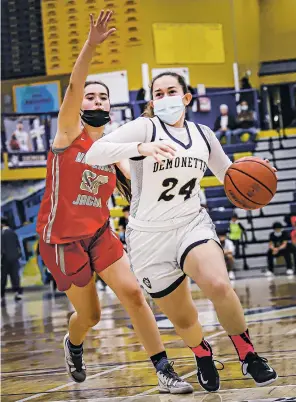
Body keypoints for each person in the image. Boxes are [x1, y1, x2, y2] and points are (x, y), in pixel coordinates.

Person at [86, 71, 278, 392]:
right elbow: (94, 153)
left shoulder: (203, 135)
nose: (164, 98)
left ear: (186, 97)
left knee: (218, 284)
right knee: (186, 321)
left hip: (191, 224)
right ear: (151, 101)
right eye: (157, 94)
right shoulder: (146, 128)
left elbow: (229, 174)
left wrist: (257, 178)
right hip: (149, 238)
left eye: (170, 91)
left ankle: (248, 355)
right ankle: (202, 353)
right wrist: (139, 148)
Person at [36, 11, 192, 394]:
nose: (95, 99)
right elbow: (73, 87)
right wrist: (90, 45)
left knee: (135, 295)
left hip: (100, 234)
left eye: (102, 96)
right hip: (62, 241)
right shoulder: (68, 133)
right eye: (91, 95)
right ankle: (73, 344)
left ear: (110, 105)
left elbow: (141, 179)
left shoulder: (111, 149)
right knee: (90, 315)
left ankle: (165, 371)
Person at [1, 217, 23, 306]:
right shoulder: (13, 233)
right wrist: (18, 256)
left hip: (5, 260)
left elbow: (1, 248)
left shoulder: (2, 234)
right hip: (14, 259)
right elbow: (18, 246)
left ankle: (2, 296)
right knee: (15, 277)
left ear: (2, 224)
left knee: (3, 278)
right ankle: (17, 294)